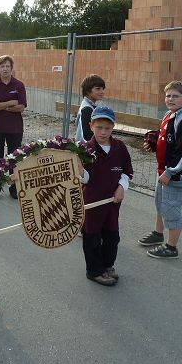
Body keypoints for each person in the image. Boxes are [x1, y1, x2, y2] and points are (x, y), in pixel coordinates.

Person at [138, 81, 182, 259]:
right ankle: (158, 234)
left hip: (175, 174)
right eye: (168, 95)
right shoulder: (170, 114)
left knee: (171, 209)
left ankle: (171, 247)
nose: (170, 99)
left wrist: (171, 171)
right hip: (163, 171)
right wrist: (153, 142)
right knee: (160, 203)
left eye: (175, 96)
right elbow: (164, 135)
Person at [80, 106, 133, 286]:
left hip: (112, 203)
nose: (103, 132)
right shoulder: (85, 149)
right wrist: (79, 169)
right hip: (92, 202)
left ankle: (107, 265)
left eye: (107, 128)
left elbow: (127, 172)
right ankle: (94, 271)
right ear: (91, 125)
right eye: (99, 127)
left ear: (113, 127)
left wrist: (121, 187)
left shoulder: (120, 147)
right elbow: (85, 178)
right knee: (92, 237)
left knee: (112, 236)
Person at [0, 55, 26, 200]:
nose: (5, 69)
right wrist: (10, 102)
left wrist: (1, 105)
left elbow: (21, 107)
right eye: (2, 66)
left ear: (11, 68)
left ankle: (14, 187)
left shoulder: (19, 85)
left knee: (14, 158)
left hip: (15, 128)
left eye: (8, 66)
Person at [75, 74, 106, 143]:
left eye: (103, 89)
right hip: (85, 150)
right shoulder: (87, 109)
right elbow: (87, 136)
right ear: (88, 91)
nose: (102, 92)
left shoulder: (88, 105)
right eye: (98, 89)